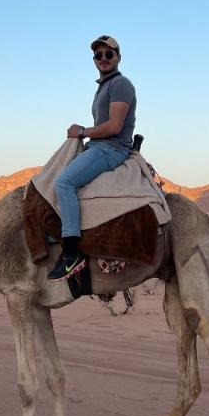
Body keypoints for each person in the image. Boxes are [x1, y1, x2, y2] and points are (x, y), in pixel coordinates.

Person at [48, 35, 137, 280]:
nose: (103, 59)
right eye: (98, 55)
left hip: (111, 148)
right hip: (98, 146)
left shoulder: (121, 84)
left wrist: (82, 132)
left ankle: (71, 254)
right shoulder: (104, 86)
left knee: (64, 183)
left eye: (109, 54)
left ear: (118, 57)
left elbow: (115, 126)